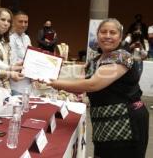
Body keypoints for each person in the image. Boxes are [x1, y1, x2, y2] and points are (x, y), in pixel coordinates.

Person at [47, 18, 149, 158]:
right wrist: (49, 73)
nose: (107, 36)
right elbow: (80, 81)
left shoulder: (122, 56)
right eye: (103, 32)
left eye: (112, 33)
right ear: (98, 34)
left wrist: (56, 83)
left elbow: (92, 84)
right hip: (104, 123)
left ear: (120, 37)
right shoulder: (96, 59)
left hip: (127, 123)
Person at [9, 10, 32, 93]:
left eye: (26, 22)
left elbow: (31, 57)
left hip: (28, 81)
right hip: (15, 82)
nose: (23, 24)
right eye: (20, 22)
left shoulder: (27, 38)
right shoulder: (8, 38)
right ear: (13, 22)